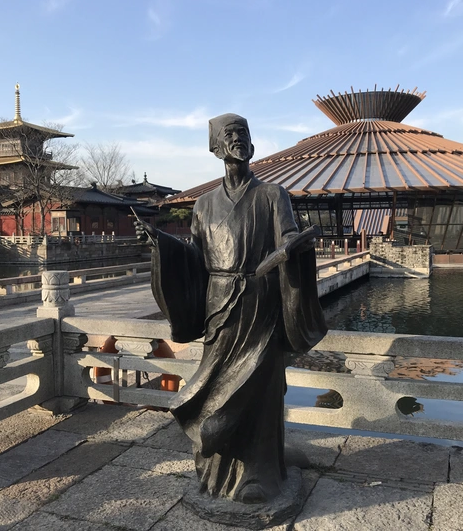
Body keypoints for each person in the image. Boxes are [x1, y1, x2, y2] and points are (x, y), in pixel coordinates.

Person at [135, 113, 326, 504]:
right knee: (215, 386)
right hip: (220, 306)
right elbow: (196, 257)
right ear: (215, 147)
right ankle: (215, 469)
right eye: (230, 134)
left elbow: (288, 237)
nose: (238, 139)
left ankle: (259, 473)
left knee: (260, 386)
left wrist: (295, 247)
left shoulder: (272, 195)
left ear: (252, 145)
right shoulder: (204, 204)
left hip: (262, 303)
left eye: (243, 133)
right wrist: (162, 244)